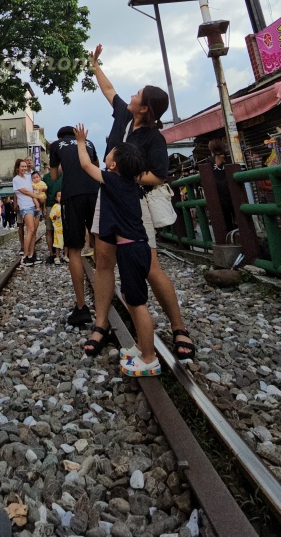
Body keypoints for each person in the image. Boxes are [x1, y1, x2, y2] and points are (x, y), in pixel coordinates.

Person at [89, 44, 195, 363]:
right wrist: (94, 64)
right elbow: (108, 89)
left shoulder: (153, 138)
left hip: (136, 206)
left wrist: (125, 177)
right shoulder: (123, 115)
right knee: (103, 261)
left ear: (145, 108)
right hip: (105, 199)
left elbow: (159, 175)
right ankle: (100, 323)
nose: (131, 95)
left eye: (138, 94)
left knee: (150, 267)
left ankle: (178, 328)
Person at [74, 124, 161, 375]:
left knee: (136, 302)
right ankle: (141, 346)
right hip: (140, 246)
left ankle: (149, 357)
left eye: (110, 153)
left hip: (130, 249)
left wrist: (81, 142)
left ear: (112, 166)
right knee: (136, 299)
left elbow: (86, 166)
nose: (107, 155)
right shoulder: (131, 184)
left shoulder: (111, 180)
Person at [49, 125, 100, 325]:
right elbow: (94, 166)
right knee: (99, 242)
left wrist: (64, 163)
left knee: (75, 250)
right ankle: (106, 295)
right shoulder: (89, 142)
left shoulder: (56, 145)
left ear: (60, 136)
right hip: (95, 192)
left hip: (72, 196)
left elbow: (54, 176)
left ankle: (81, 307)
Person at [13, 157, 42, 266]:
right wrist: (38, 197)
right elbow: (25, 192)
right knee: (30, 230)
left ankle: (31, 255)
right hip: (26, 207)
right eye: (22, 166)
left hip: (34, 206)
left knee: (34, 231)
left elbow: (36, 184)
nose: (24, 168)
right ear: (18, 168)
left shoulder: (29, 177)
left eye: (25, 166)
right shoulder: (16, 179)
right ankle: (25, 257)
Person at [207, 139, 236, 232]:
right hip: (233, 192)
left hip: (218, 195)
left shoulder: (209, 161)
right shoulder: (230, 158)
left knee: (225, 220)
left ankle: (229, 239)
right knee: (238, 218)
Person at [42, 164, 62, 264]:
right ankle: (51, 253)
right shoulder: (46, 178)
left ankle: (61, 252)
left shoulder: (63, 177)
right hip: (49, 205)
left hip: (61, 206)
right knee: (49, 229)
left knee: (60, 230)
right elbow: (43, 194)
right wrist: (44, 208)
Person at [49, 190, 63, 264]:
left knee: (66, 242)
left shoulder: (66, 205)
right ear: (56, 198)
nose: (61, 198)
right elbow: (51, 216)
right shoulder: (55, 206)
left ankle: (66, 255)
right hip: (58, 228)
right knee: (57, 243)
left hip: (65, 228)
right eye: (59, 196)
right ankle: (57, 256)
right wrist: (55, 216)